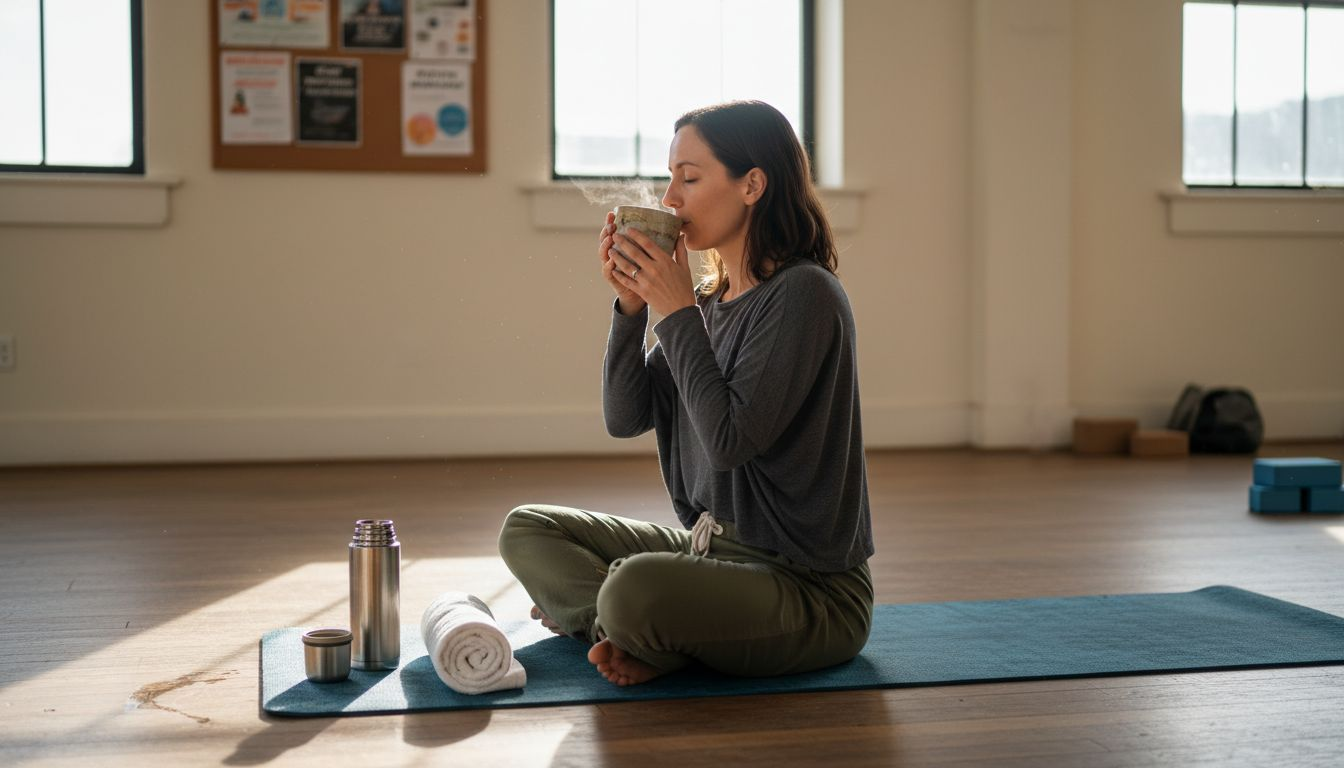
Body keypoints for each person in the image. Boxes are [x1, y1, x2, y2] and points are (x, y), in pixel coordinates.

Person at [498, 100, 874, 686]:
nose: (670, 198)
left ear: (752, 184)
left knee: (632, 585)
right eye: (671, 177)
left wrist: (674, 311)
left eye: (689, 178)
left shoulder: (805, 295)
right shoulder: (706, 306)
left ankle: (621, 625)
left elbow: (728, 442)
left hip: (811, 592)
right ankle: (630, 634)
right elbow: (625, 418)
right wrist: (632, 308)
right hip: (709, 556)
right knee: (528, 528)